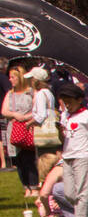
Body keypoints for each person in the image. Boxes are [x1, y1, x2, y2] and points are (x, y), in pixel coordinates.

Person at [56, 84, 88, 217]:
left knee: (82, 192)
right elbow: (64, 139)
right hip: (67, 156)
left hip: (83, 156)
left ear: (79, 100)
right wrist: (59, 131)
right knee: (69, 193)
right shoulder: (65, 116)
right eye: (64, 102)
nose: (67, 105)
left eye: (70, 101)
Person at [1, 64, 39, 198]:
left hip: (28, 127)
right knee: (18, 160)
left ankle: (34, 186)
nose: (10, 80)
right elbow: (4, 111)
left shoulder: (31, 92)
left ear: (20, 78)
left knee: (29, 158)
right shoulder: (9, 94)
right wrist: (15, 115)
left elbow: (37, 109)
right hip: (14, 128)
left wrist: (26, 117)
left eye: (13, 77)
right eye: (10, 77)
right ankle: (26, 186)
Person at [27, 67, 62, 196]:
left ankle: (46, 189)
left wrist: (29, 123)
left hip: (44, 132)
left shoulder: (41, 93)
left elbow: (41, 115)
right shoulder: (48, 92)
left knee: (44, 160)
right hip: (52, 129)